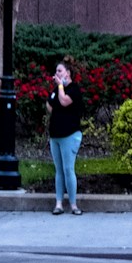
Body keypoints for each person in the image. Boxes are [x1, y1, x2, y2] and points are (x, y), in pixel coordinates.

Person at [48, 60, 85, 213]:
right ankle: (58, 203)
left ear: (68, 73)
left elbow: (63, 102)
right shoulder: (57, 89)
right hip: (55, 135)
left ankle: (73, 204)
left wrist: (61, 87)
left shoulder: (74, 89)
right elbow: (49, 105)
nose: (57, 74)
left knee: (68, 169)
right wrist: (57, 89)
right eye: (56, 71)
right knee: (59, 170)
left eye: (60, 71)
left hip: (70, 135)